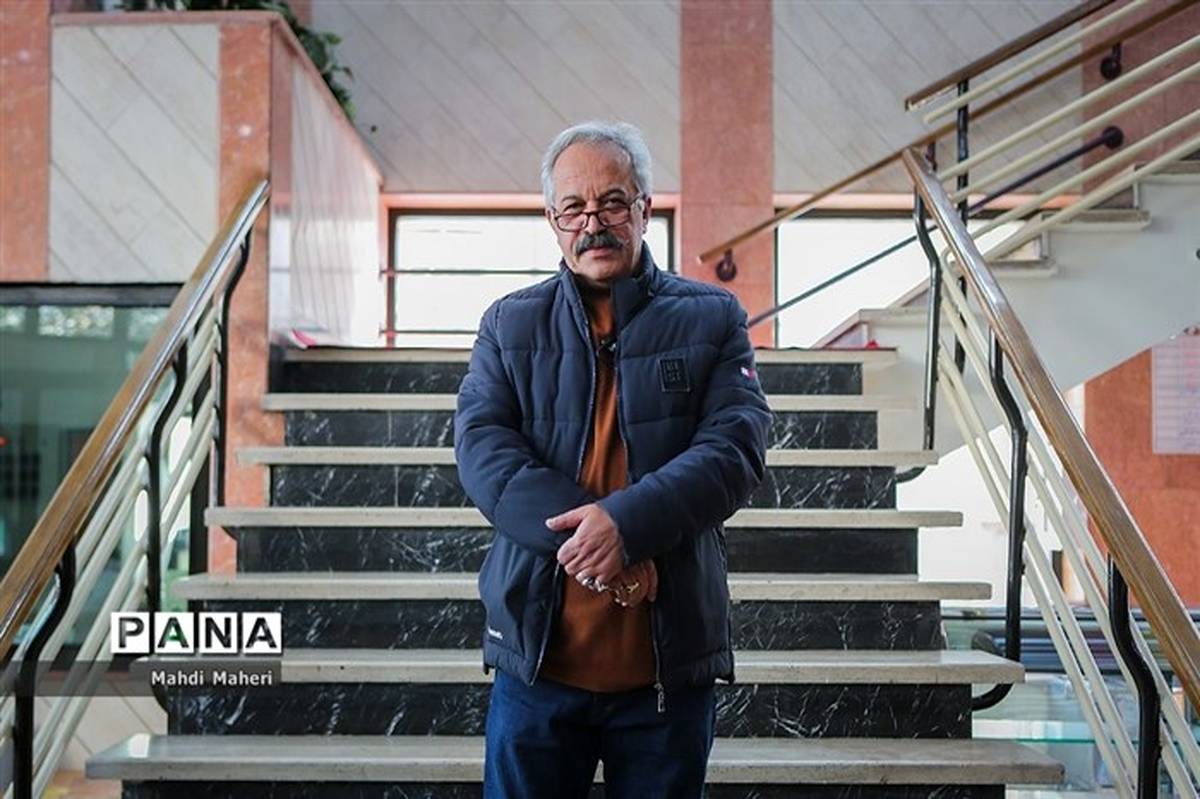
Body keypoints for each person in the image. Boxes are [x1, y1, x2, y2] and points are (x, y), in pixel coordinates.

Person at [453, 120, 771, 799]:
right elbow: (483, 449)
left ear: (646, 209)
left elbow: (735, 448)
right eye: (573, 207)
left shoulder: (713, 317)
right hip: (537, 667)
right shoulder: (508, 324)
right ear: (553, 221)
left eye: (613, 203)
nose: (592, 223)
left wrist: (627, 526)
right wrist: (601, 543)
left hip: (666, 673)